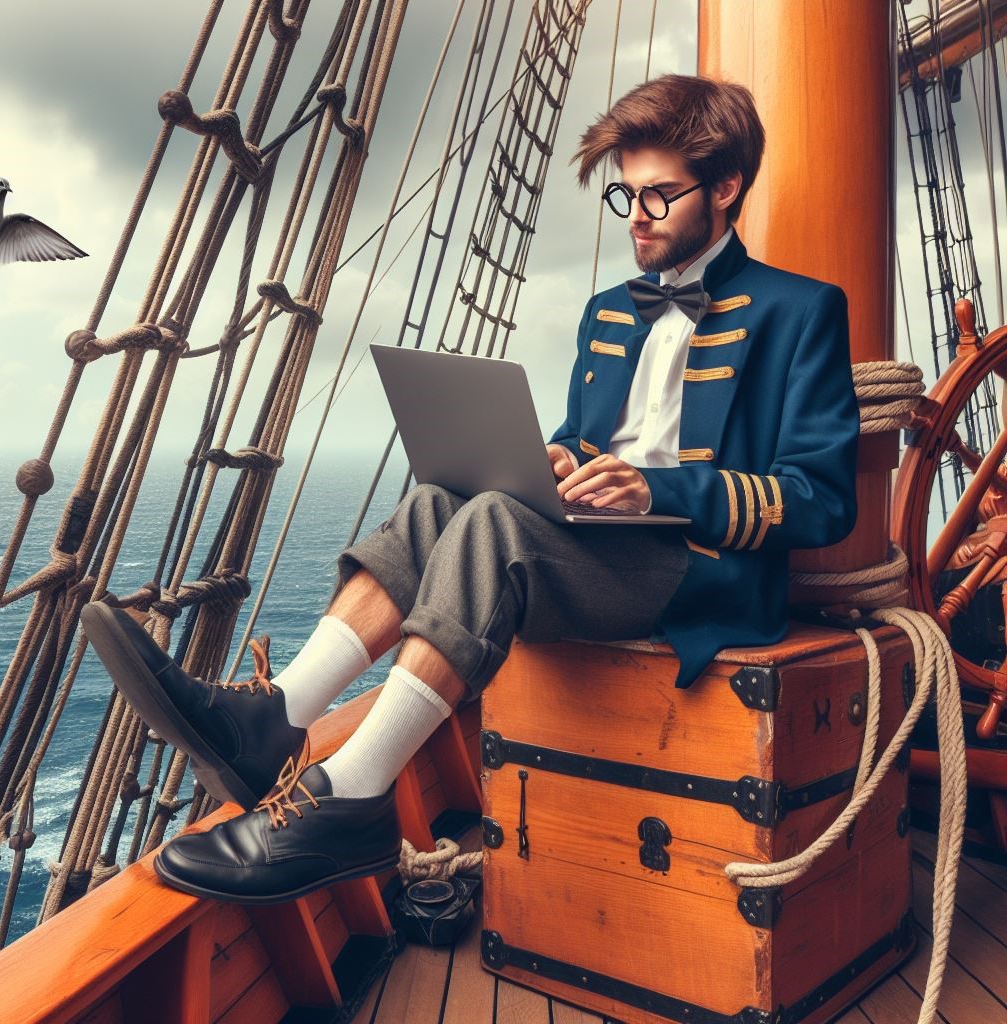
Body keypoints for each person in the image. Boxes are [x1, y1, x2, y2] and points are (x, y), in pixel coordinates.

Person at [80, 73, 859, 904]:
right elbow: (586, 441)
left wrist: (659, 489)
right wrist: (558, 462)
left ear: (727, 187)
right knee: (437, 500)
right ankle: (276, 716)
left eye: (660, 196)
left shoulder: (802, 310)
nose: (636, 215)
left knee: (492, 527)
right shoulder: (607, 312)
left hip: (700, 571)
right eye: (625, 195)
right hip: (598, 548)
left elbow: (820, 499)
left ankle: (352, 796)